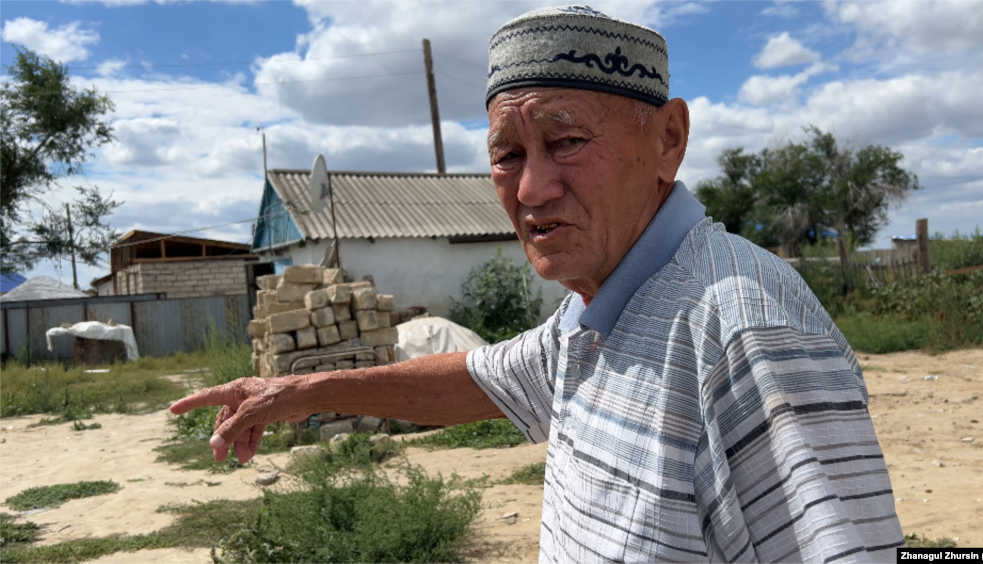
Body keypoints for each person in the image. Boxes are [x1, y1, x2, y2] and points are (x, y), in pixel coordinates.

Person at [171, 5, 904, 562]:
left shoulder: (743, 332)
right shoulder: (593, 318)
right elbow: (475, 379)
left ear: (668, 141)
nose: (531, 189)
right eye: (507, 155)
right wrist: (296, 393)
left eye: (567, 142)